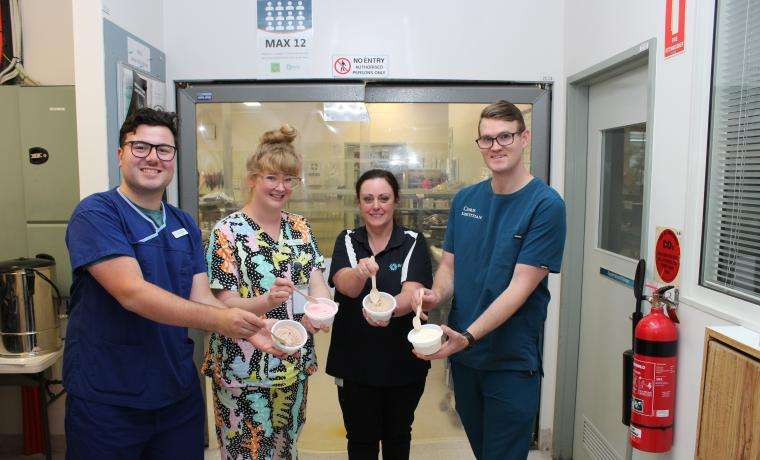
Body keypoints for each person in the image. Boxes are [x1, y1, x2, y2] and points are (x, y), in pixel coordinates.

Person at [63, 107, 273, 459]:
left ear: (174, 159)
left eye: (164, 150)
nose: (153, 158)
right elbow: (132, 293)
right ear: (120, 154)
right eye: (140, 147)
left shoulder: (183, 223)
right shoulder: (97, 214)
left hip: (175, 394)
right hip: (109, 397)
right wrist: (223, 320)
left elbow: (201, 295)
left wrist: (246, 327)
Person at [416, 100, 566, 460]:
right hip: (466, 360)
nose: (496, 146)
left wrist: (467, 336)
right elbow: (450, 267)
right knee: (483, 451)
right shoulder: (466, 199)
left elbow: (519, 288)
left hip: (510, 361)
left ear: (524, 137)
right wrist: (435, 296)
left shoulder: (545, 205)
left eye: (505, 136)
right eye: (487, 139)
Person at [201, 125, 332, 460]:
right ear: (252, 179)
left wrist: (321, 308)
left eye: (289, 179)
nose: (281, 187)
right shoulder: (227, 232)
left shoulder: (299, 227)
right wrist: (267, 301)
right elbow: (224, 302)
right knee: (246, 451)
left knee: (285, 449)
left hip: (292, 361)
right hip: (243, 367)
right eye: (272, 178)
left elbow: (315, 278)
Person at [327, 169, 433, 460]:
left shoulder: (412, 241)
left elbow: (412, 294)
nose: (376, 205)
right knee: (361, 440)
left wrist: (386, 310)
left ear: (395, 201)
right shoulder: (348, 240)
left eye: (384, 198)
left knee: (398, 437)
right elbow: (346, 286)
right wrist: (360, 271)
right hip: (355, 361)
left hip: (402, 361)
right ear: (359, 203)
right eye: (368, 198)